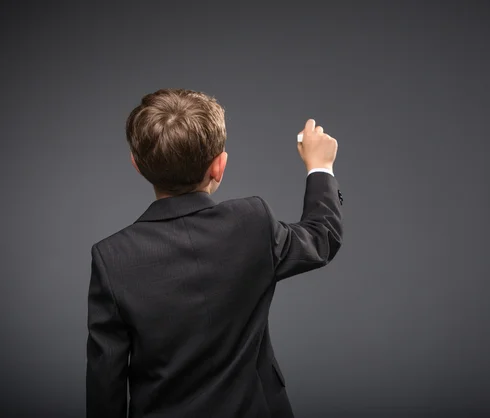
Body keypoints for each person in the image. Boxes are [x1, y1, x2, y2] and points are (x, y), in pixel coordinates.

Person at [86, 88, 344, 418]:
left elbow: (105, 389)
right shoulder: (251, 223)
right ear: (219, 166)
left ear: (137, 165)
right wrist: (320, 166)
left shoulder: (112, 258)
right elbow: (322, 238)